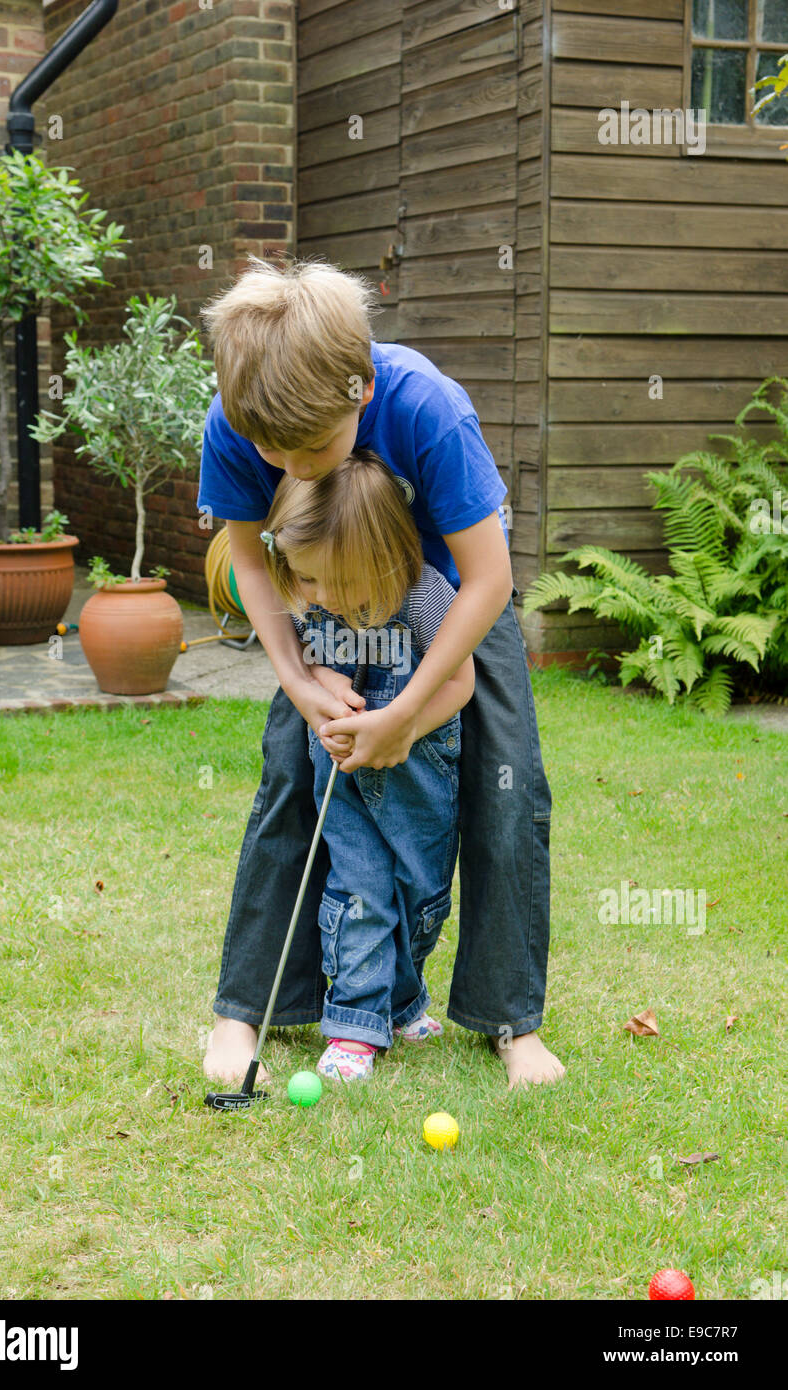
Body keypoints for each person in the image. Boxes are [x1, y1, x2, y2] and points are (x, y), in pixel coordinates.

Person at [197, 254, 565, 1091]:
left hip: (448, 599)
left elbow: (489, 580)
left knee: (507, 788)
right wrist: (296, 678)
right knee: (290, 780)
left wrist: (408, 715)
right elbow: (250, 559)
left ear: (360, 389)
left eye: (310, 448)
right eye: (268, 449)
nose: (289, 466)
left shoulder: (427, 408)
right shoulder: (240, 412)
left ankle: (512, 1022)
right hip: (326, 607)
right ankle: (244, 1010)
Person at [258, 449, 473, 1081]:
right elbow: (308, 652)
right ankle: (354, 1024)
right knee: (361, 892)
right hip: (344, 778)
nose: (317, 598)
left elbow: (458, 682)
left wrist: (400, 726)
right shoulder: (315, 593)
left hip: (419, 773)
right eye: (307, 582)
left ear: (381, 558)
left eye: (332, 584)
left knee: (420, 893)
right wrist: (322, 678)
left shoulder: (424, 596)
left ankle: (401, 1002)